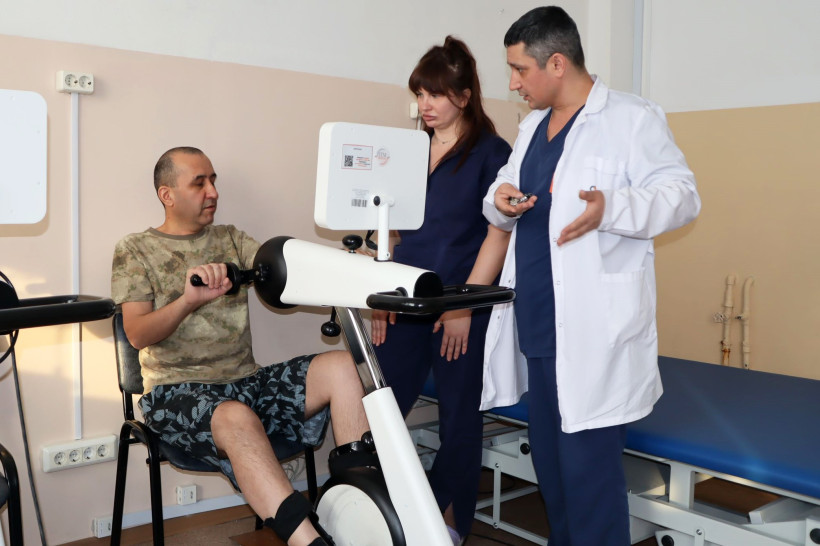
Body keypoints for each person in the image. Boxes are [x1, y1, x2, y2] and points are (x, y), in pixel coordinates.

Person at [481, 7, 701, 545]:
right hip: (538, 324)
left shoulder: (631, 118)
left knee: (589, 479)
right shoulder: (531, 127)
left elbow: (682, 196)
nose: (513, 84)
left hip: (593, 332)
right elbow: (502, 189)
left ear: (557, 63)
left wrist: (612, 208)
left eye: (520, 70)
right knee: (553, 474)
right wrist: (500, 199)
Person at [111, 146, 371, 546]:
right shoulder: (134, 249)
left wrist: (349, 266)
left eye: (213, 181)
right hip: (175, 392)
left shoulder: (230, 238)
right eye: (199, 183)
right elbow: (137, 334)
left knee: (342, 367)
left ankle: (361, 511)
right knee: (235, 416)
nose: (213, 192)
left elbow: (289, 271)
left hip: (247, 384)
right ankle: (311, 542)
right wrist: (188, 302)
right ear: (167, 194)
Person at [370, 36, 512, 545]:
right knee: (383, 408)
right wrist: (380, 296)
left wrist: (463, 309)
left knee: (459, 419)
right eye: (420, 94)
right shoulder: (408, 150)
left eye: (435, 94)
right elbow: (387, 227)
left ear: (464, 96)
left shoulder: (493, 154)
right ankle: (385, 514)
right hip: (406, 299)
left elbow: (498, 236)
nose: (424, 104)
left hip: (460, 304)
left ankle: (448, 526)